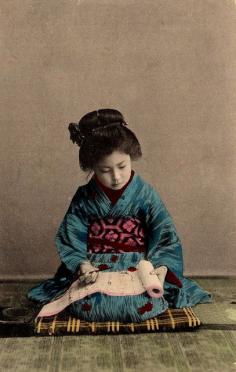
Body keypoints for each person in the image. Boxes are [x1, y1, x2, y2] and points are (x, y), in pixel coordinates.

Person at [28, 108, 212, 322]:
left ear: (131, 157)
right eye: (105, 170)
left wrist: (160, 269)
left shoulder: (145, 194)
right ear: (92, 168)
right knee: (89, 303)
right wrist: (83, 265)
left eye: (122, 166)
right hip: (95, 266)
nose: (116, 177)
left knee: (141, 302)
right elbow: (71, 237)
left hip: (138, 265)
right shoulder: (85, 196)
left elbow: (165, 236)